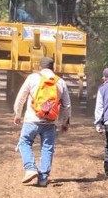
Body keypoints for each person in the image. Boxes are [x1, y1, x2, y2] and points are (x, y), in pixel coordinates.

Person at [13, 56, 71, 187]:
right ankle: (43, 178)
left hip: (32, 120)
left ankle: (30, 168)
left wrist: (17, 114)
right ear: (53, 67)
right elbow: (66, 105)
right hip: (50, 122)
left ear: (40, 67)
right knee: (47, 148)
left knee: (24, 142)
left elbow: (21, 97)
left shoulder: (32, 78)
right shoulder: (60, 82)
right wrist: (64, 122)